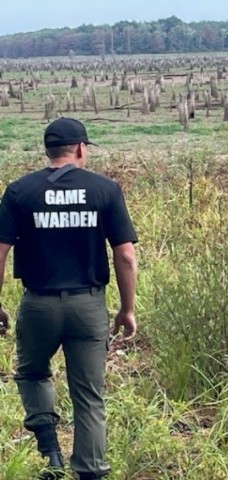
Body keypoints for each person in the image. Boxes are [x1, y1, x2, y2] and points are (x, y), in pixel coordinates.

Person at [0, 117, 138, 480]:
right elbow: (125, 255)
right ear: (80, 148)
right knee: (89, 397)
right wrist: (127, 308)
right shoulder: (105, 189)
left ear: (48, 150)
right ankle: (90, 471)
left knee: (30, 372)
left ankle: (50, 452)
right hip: (88, 306)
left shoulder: (19, 191)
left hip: (38, 304)